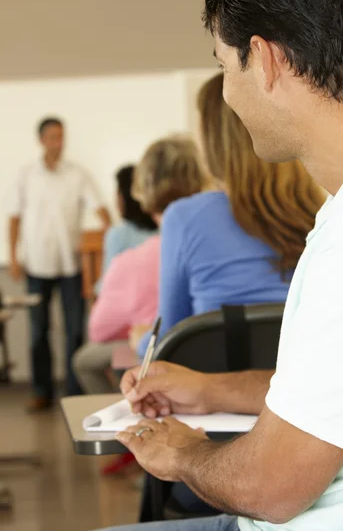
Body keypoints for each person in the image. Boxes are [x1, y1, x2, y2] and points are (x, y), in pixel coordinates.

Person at [97, 0, 343, 530]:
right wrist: (211, 391)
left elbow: (271, 488)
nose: (228, 93)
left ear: (264, 59)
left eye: (223, 66)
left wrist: (181, 453)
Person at [135, 72, 324, 359]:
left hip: (212, 394)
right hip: (306, 390)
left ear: (213, 140)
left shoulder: (184, 218)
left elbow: (166, 339)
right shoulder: (321, 211)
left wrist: (138, 341)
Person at [72, 134, 207, 396]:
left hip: (167, 353)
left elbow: (103, 329)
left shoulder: (131, 256)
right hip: (223, 362)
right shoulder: (230, 236)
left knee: (98, 358)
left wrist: (140, 336)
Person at [8, 117, 111, 412]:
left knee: (75, 331)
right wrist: (13, 256)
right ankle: (42, 392)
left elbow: (101, 208)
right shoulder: (27, 175)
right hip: (37, 266)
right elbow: (14, 217)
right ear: (41, 140)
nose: (58, 142)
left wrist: (113, 236)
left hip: (71, 265)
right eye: (53, 137)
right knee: (39, 332)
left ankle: (75, 392)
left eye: (61, 136)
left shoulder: (77, 174)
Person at [95, 165, 157, 294]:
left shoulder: (118, 235)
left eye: (118, 192)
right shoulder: (164, 231)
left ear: (125, 197)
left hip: (127, 305)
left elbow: (107, 285)